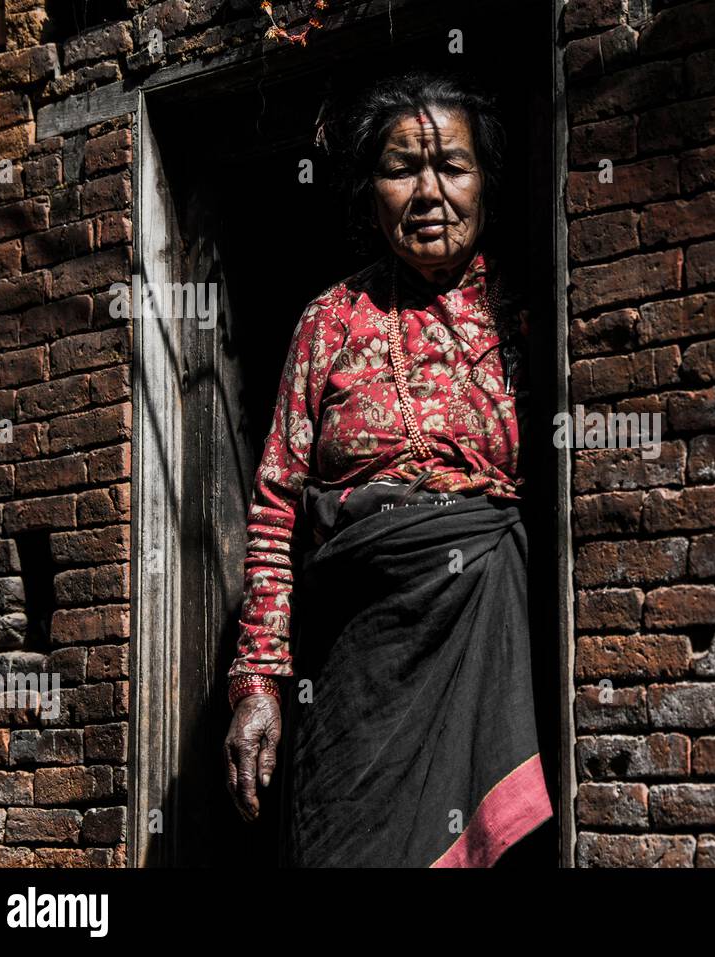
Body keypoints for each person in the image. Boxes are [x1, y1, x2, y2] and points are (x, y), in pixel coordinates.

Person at [221, 71, 552, 866]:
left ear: (487, 183)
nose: (429, 191)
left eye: (453, 167)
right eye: (402, 169)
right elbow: (274, 507)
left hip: (481, 641)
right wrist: (258, 684)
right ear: (371, 193)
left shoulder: (530, 314)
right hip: (353, 665)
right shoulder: (329, 320)